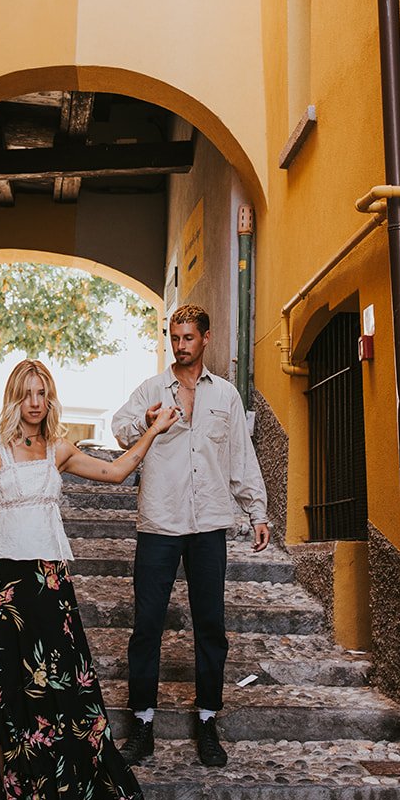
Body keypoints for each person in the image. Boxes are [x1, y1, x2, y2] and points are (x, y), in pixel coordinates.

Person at [0, 358, 179, 800]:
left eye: (41, 392)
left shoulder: (59, 450)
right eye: (25, 393)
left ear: (50, 398)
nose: (34, 402)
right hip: (0, 588)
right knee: (4, 705)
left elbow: (115, 472)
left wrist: (154, 429)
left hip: (49, 588)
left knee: (52, 704)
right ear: (13, 398)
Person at [111, 303, 270, 769]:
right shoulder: (150, 389)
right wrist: (146, 421)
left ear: (206, 339)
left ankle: (206, 721)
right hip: (159, 524)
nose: (180, 346)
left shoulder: (225, 396)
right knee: (146, 626)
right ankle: (142, 723)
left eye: (188, 338)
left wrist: (257, 512)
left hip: (208, 526)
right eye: (174, 338)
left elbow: (240, 458)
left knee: (210, 626)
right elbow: (118, 429)